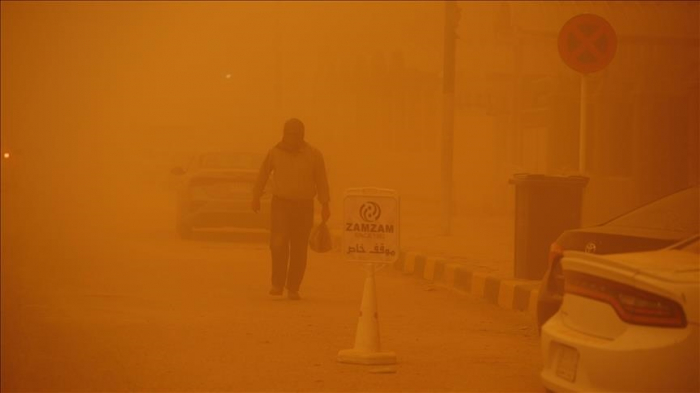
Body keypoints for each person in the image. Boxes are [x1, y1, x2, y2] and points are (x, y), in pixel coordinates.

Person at [251, 118, 330, 300]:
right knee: (278, 243)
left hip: (304, 206)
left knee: (299, 247)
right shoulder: (275, 153)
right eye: (290, 134)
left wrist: (325, 204)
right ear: (284, 135)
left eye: (297, 134)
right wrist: (256, 197)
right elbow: (263, 174)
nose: (293, 138)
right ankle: (277, 283)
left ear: (302, 135)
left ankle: (293, 287)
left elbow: (321, 181)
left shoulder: (314, 155)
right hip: (281, 204)